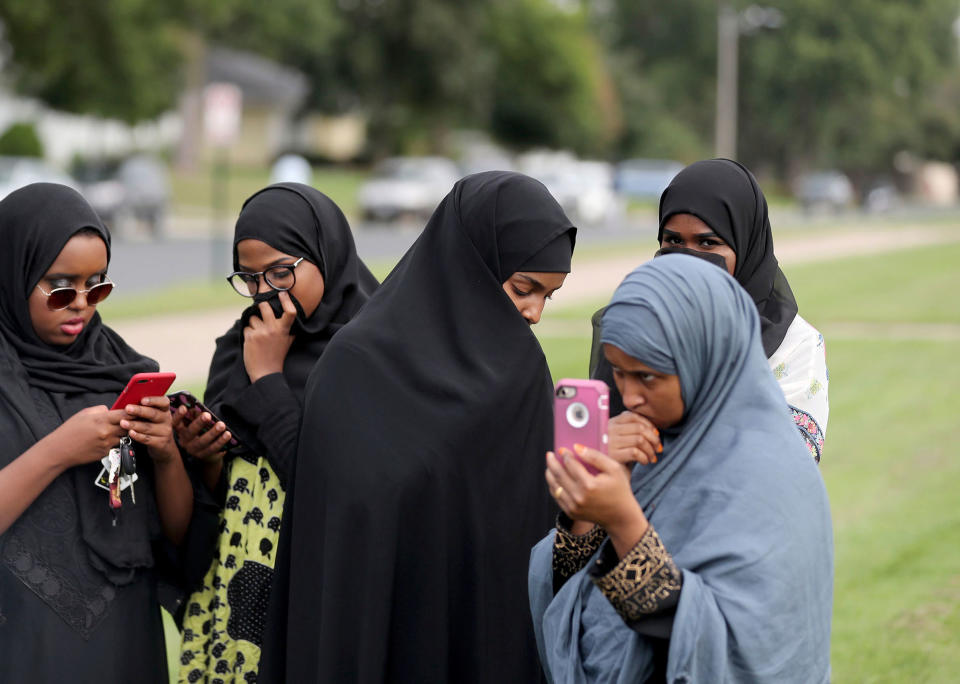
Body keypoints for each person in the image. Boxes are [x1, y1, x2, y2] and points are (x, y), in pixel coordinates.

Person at [268, 171, 577, 683]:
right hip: (383, 630)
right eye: (524, 288)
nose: (535, 313)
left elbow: (537, 521)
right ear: (471, 264)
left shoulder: (522, 372)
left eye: (549, 296)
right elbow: (341, 533)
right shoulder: (357, 365)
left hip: (486, 635)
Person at [531, 254, 833, 683]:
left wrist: (623, 520)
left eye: (648, 377)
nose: (629, 396)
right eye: (617, 372)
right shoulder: (655, 444)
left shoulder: (772, 477)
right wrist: (583, 511)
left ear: (705, 358)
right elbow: (571, 592)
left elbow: (725, 654)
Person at [173, 183, 378, 682]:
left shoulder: (370, 354)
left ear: (324, 255)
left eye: (282, 272)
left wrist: (268, 376)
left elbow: (329, 485)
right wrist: (206, 458)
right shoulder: (238, 346)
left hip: (319, 583)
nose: (266, 291)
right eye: (249, 277)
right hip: (236, 586)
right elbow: (225, 491)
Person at [0, 183, 193, 683]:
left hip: (125, 640)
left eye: (99, 285)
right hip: (22, 640)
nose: (82, 305)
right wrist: (60, 451)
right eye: (62, 287)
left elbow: (174, 537)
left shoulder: (118, 370)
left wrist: (167, 453)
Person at [592, 159, 829, 463]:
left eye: (708, 243)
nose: (688, 260)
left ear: (746, 247)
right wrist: (602, 444)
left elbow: (789, 467)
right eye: (673, 240)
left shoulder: (793, 345)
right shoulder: (636, 324)